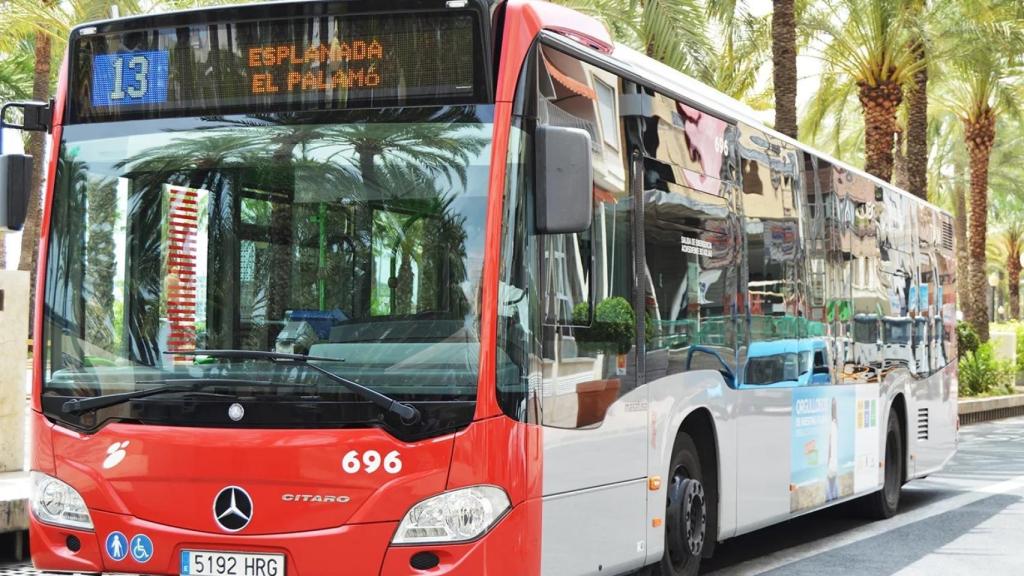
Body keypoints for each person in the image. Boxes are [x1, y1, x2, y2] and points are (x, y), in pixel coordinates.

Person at [826, 397, 839, 501]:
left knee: (831, 482)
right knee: (833, 482)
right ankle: (833, 496)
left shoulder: (831, 426)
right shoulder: (835, 425)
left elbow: (830, 446)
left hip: (831, 461)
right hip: (834, 460)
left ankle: (831, 497)